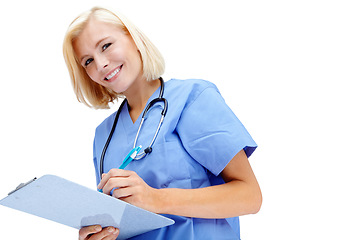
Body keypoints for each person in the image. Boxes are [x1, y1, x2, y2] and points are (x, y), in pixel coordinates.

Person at [63, 6, 262, 240]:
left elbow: (250, 196)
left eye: (106, 46)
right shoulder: (104, 136)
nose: (101, 64)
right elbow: (119, 221)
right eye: (88, 61)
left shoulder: (193, 98)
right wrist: (101, 234)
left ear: (133, 38)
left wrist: (157, 199)